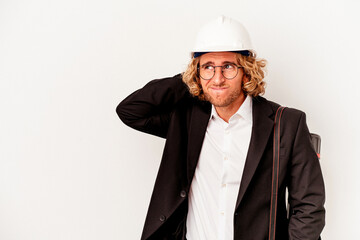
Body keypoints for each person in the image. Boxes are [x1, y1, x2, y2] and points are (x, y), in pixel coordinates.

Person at [116, 16, 325, 240]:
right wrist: (193, 78)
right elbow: (130, 110)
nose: (218, 78)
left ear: (246, 70)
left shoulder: (287, 124)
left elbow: (308, 207)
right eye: (208, 67)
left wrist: (205, 70)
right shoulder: (187, 120)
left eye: (228, 66)